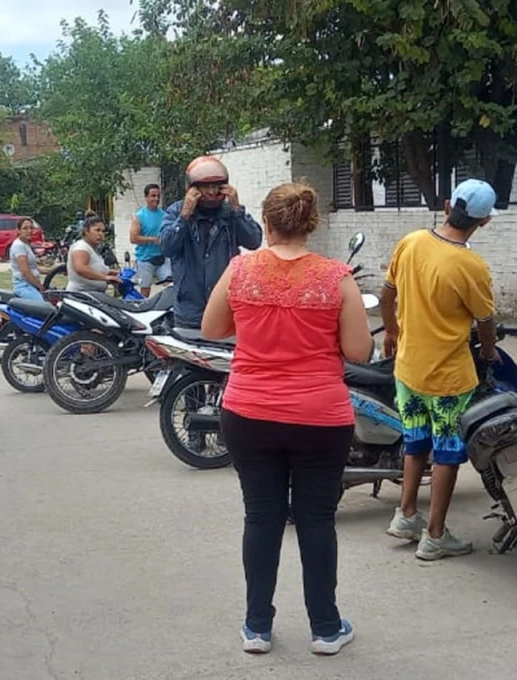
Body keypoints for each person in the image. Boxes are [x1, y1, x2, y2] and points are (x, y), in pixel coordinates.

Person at [202, 183, 373, 656]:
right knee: (317, 520)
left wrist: (256, 322)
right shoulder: (336, 277)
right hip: (320, 416)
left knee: (262, 516)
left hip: (250, 412)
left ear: (268, 222)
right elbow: (359, 351)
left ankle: (257, 627)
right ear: (311, 224)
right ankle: (325, 628)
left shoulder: (240, 271)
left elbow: (212, 328)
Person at [380, 178, 499, 561]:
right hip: (447, 378)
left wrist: (392, 332)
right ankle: (435, 535)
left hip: (407, 370)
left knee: (415, 443)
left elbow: (387, 295)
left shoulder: (411, 242)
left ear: (448, 206)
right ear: (484, 222)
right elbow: (485, 320)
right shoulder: (471, 266)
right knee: (447, 452)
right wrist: (490, 351)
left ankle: (407, 513)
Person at [161, 156, 263, 331]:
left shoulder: (231, 212)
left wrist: (237, 209)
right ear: (191, 188)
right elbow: (167, 247)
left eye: (215, 186)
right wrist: (184, 216)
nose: (210, 192)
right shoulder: (177, 212)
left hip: (225, 307)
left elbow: (254, 241)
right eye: (204, 186)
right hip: (190, 309)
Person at [130, 183, 171, 297]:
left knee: (171, 284)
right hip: (145, 259)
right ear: (146, 197)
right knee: (145, 290)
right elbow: (133, 238)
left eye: (158, 196)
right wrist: (152, 239)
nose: (156, 199)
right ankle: (144, 310)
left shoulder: (164, 215)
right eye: (153, 196)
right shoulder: (139, 216)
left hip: (162, 258)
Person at [66, 216, 120, 293]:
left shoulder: (92, 249)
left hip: (95, 294)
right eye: (97, 230)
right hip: (81, 295)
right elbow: (80, 268)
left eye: (103, 231)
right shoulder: (81, 247)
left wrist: (111, 273)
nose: (101, 234)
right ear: (86, 231)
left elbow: (94, 268)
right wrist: (104, 277)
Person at [9, 218, 44, 300]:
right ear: (18, 230)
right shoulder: (19, 246)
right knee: (44, 307)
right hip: (24, 286)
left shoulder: (26, 244)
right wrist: (40, 286)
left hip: (31, 285)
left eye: (31, 228)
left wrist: (53, 271)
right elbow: (25, 271)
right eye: (25, 228)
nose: (29, 230)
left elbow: (33, 268)